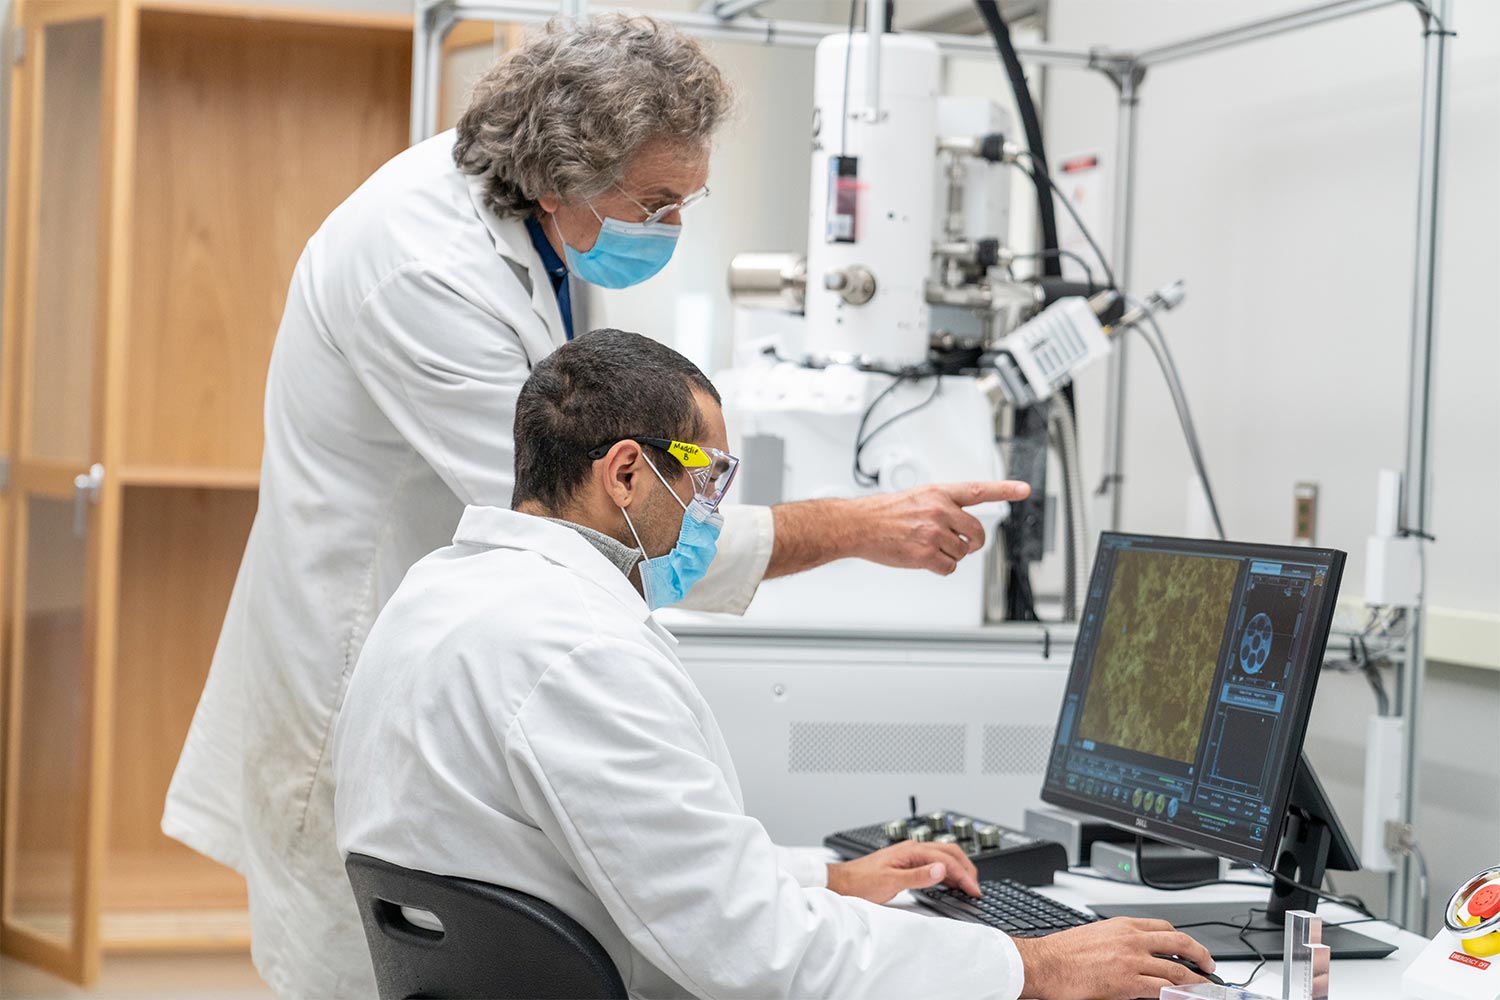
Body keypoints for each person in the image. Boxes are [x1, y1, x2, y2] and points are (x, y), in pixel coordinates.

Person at [164, 12, 1027, 998]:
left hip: (434, 661)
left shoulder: (535, 220)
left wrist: (819, 877)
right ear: (558, 174)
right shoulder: (424, 269)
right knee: (359, 971)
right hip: (367, 672)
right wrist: (862, 528)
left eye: (683, 205)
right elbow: (592, 508)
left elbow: (687, 885)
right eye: (656, 203)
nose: (670, 228)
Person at [333, 329, 1217, 1000]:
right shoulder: (574, 649)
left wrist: (826, 878)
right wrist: (1029, 965)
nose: (715, 509)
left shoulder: (444, 594)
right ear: (627, 475)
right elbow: (742, 943)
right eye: (708, 479)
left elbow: (646, 860)